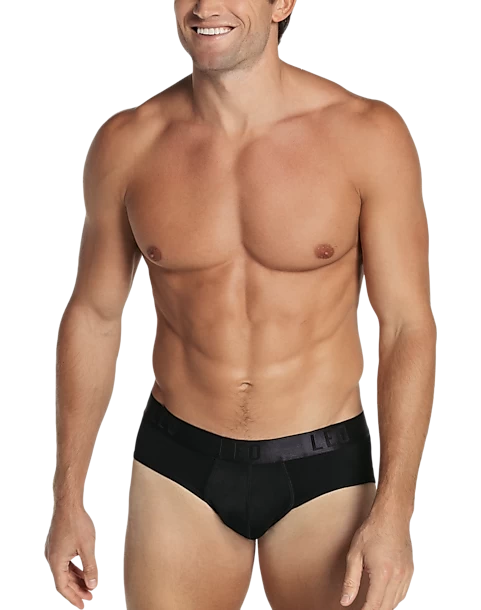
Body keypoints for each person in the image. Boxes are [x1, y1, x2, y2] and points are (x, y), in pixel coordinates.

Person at [43, 1, 437, 609]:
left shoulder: (366, 134)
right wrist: (67, 496)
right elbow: (94, 317)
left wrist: (396, 509)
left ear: (282, 3)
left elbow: (407, 326)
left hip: (325, 470)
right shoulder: (129, 143)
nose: (206, 7)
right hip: (178, 467)